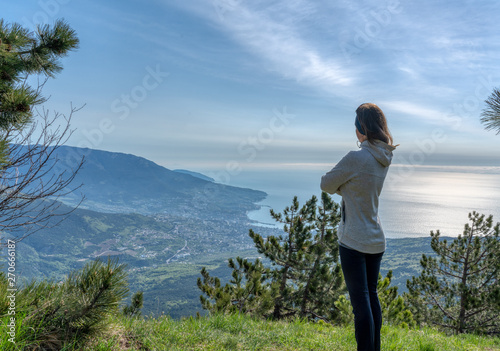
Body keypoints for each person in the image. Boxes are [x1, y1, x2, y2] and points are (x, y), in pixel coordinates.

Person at [320, 103, 396, 351]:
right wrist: (349, 186)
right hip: (375, 238)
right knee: (371, 297)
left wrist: (344, 186)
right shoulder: (384, 157)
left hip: (353, 239)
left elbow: (326, 184)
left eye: (356, 125)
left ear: (361, 128)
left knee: (360, 303)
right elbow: (360, 187)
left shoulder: (356, 158)